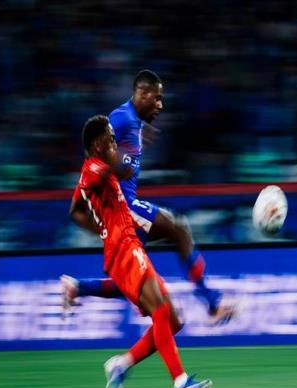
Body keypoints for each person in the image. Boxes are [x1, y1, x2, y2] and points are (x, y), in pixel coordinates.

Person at [62, 69, 234, 325]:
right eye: (157, 98)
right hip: (123, 205)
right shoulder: (121, 119)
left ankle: (78, 287)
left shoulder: (133, 123)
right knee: (179, 229)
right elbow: (95, 155)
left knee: (134, 281)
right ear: (142, 94)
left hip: (122, 208)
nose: (160, 105)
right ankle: (212, 302)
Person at [69, 114, 211, 388]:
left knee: (174, 320)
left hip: (128, 244)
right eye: (109, 137)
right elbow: (121, 169)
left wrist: (101, 228)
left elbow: (76, 209)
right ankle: (181, 383)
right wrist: (134, 147)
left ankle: (121, 364)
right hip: (123, 248)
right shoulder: (93, 167)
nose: (113, 140)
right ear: (96, 144)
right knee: (159, 307)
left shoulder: (96, 169)